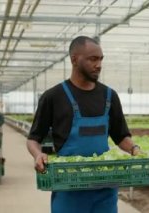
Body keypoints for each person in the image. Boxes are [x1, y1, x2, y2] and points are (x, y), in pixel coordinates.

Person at [26, 35, 141, 213]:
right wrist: (37, 154)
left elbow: (121, 136)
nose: (99, 65)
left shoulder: (109, 96)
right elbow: (34, 138)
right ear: (74, 60)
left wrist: (134, 149)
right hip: (69, 190)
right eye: (92, 59)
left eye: (101, 59)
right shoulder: (53, 97)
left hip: (105, 190)